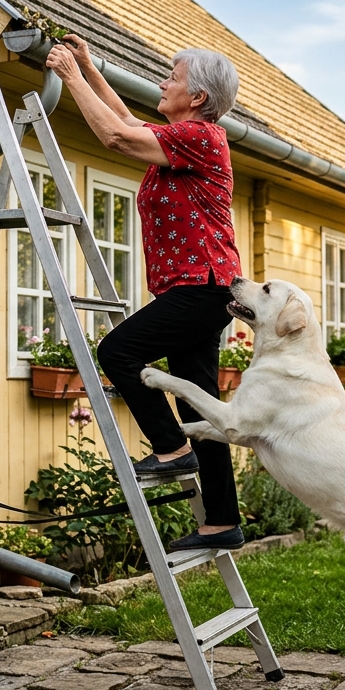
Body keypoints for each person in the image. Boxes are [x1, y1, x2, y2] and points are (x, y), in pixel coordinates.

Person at [44, 36, 245, 551]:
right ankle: (222, 521)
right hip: (201, 287)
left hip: (201, 286)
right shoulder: (183, 141)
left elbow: (114, 137)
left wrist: (68, 77)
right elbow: (129, 126)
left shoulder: (203, 137)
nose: (162, 82)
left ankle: (171, 448)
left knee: (118, 351)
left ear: (197, 97)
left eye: (171, 77)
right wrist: (88, 68)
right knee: (201, 407)